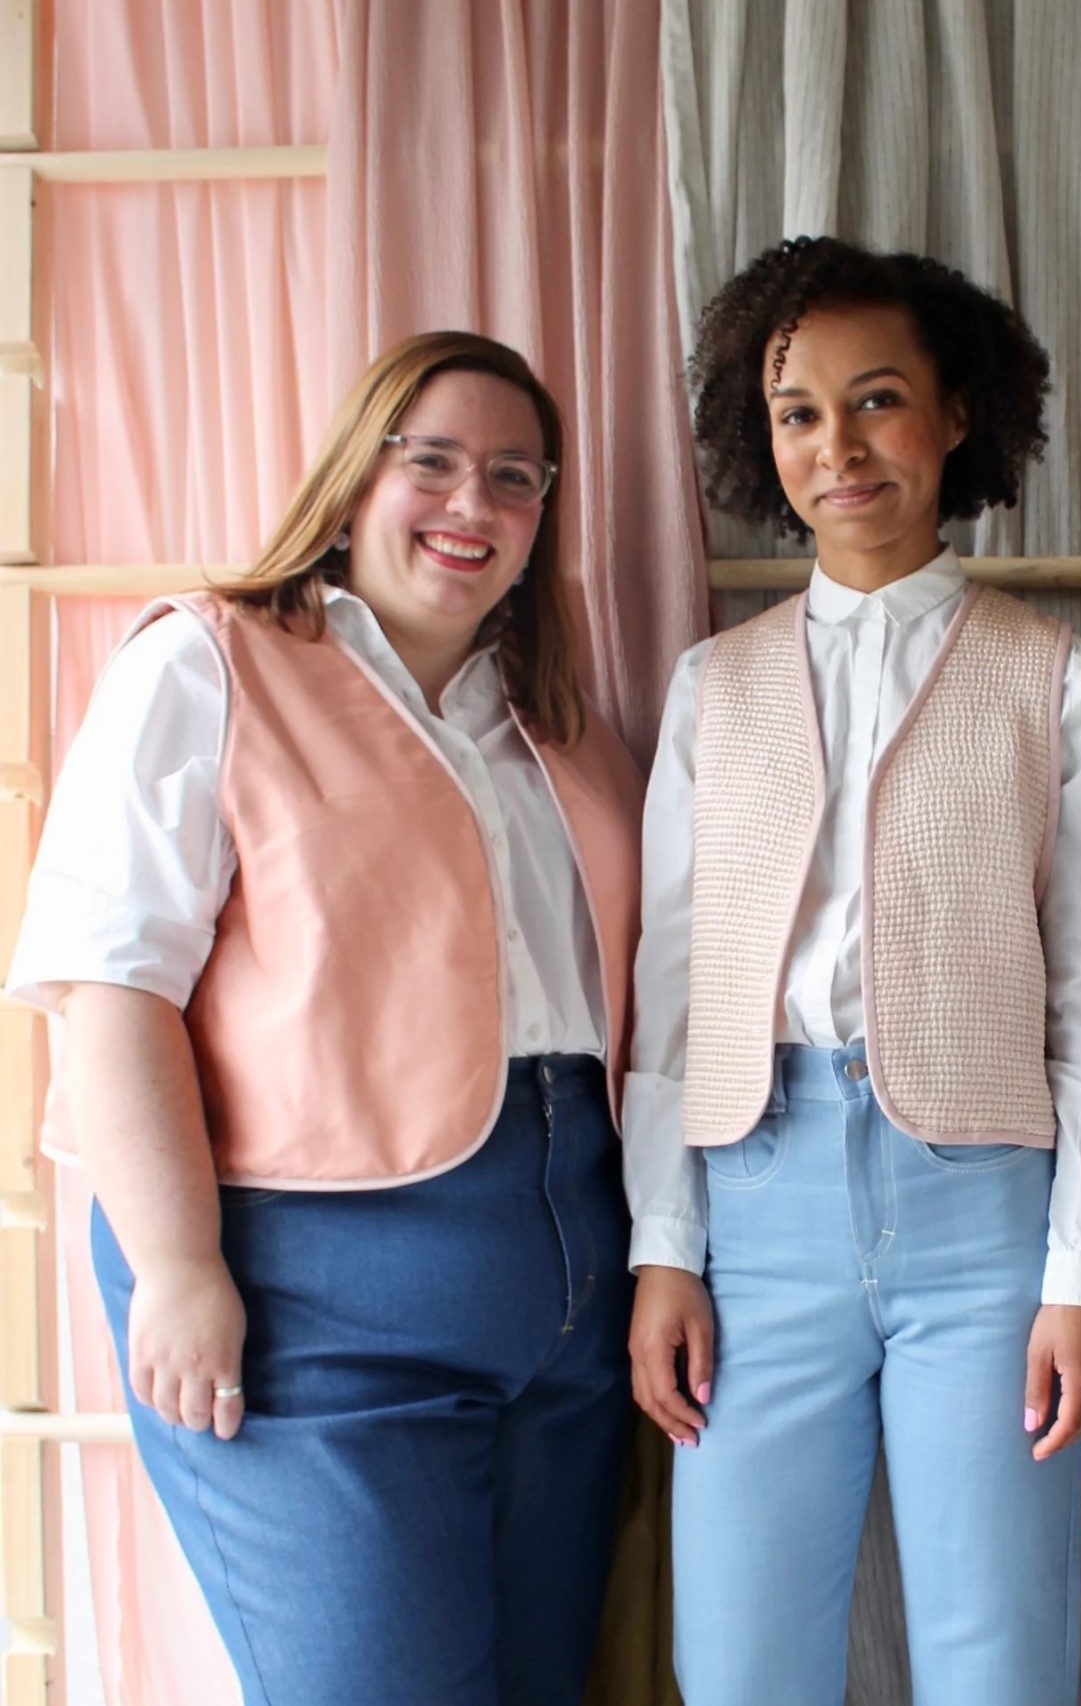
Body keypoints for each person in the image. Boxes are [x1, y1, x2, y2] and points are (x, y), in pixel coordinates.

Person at [6, 330, 645, 1706]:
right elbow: (108, 985)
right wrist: (179, 1269)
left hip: (569, 1316)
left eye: (516, 478)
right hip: (315, 1315)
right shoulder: (209, 665)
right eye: (433, 463)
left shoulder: (566, 728)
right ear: (357, 480)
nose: (472, 504)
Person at [623, 235, 1081, 1706]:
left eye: (876, 400)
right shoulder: (711, 688)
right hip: (754, 1205)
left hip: (986, 1221)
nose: (836, 446)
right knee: (736, 1664)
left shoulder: (1054, 676)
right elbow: (670, 988)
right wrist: (665, 1243)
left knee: (1000, 1664)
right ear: (755, 432)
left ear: (956, 412)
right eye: (796, 412)